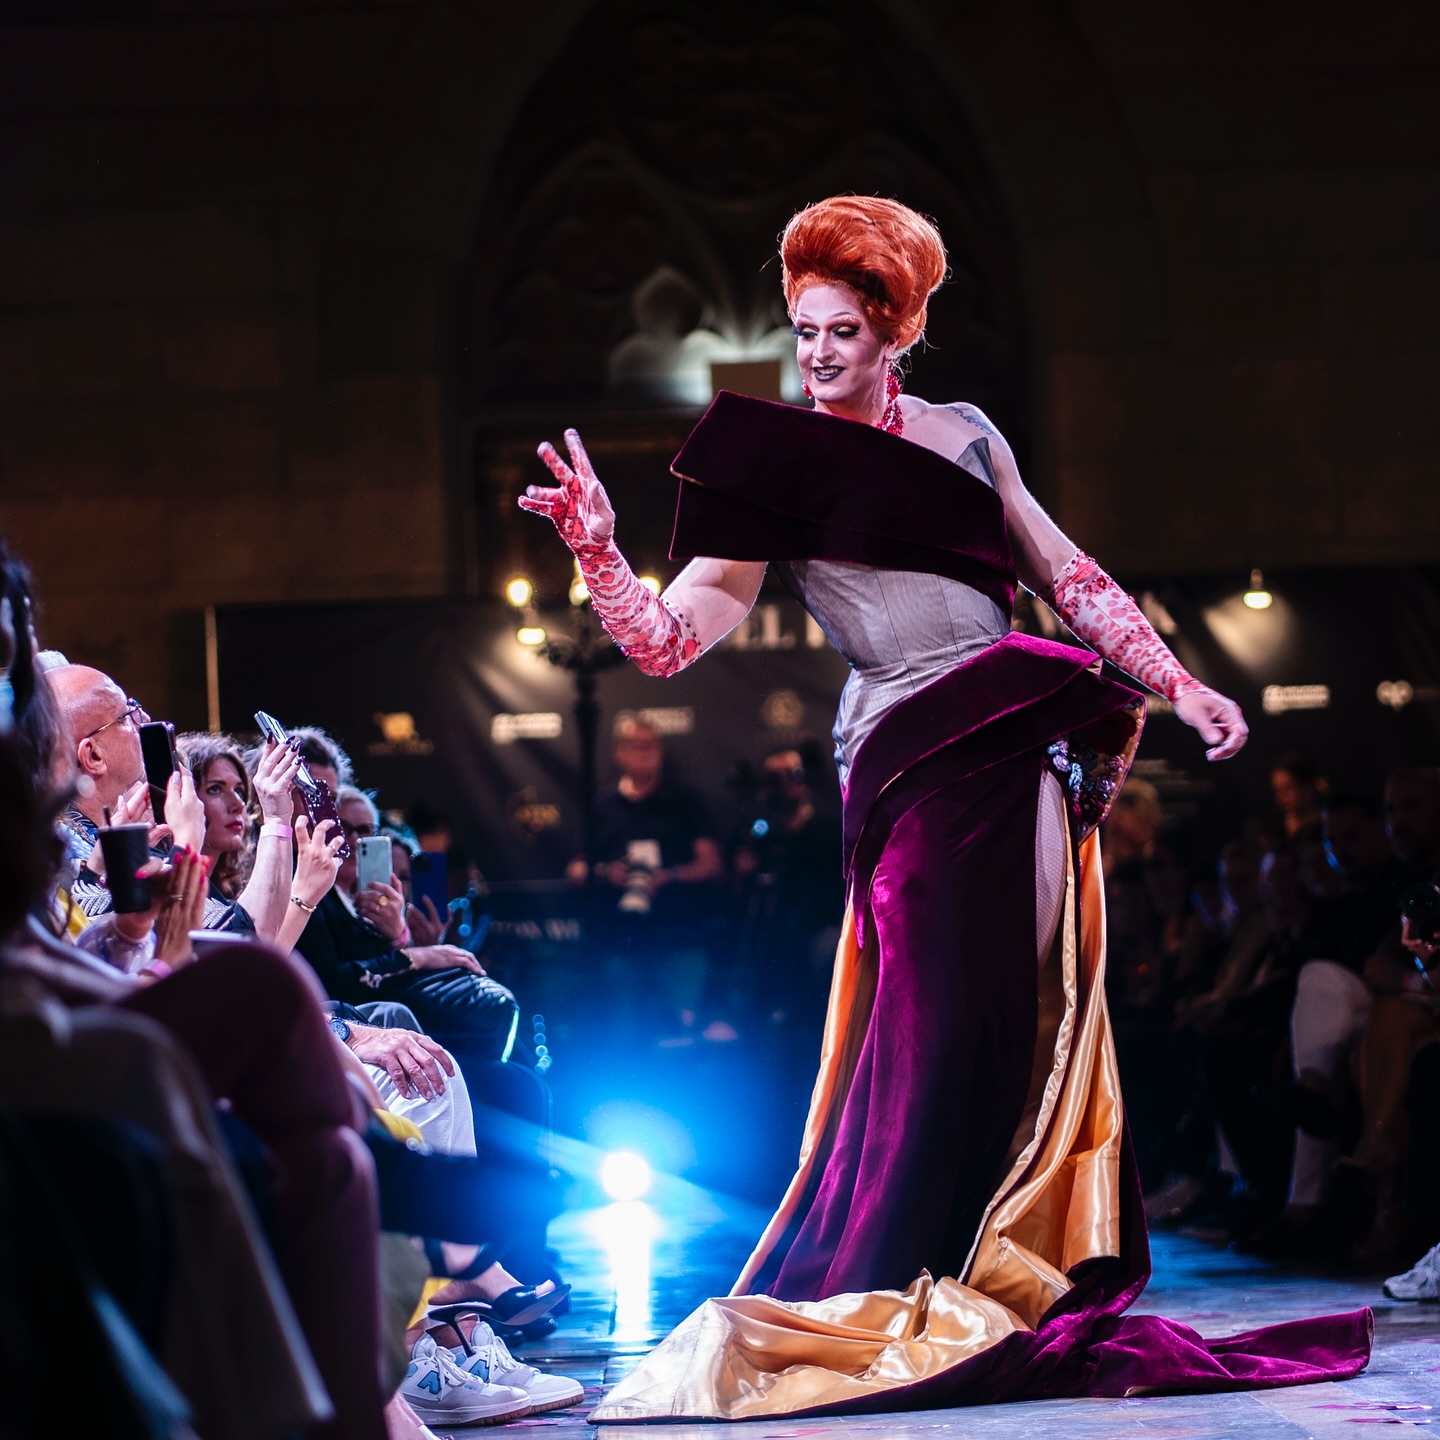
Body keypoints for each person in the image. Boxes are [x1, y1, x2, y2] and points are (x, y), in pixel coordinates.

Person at [521, 195, 1370, 1419]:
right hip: (911, 750)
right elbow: (667, 640)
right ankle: (899, 1270)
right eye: (802, 330)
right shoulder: (771, 462)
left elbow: (1066, 574)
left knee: (1024, 1008)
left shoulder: (968, 438)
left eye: (842, 335)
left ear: (895, 335)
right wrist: (602, 554)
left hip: (1013, 740)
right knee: (940, 1012)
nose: (816, 355)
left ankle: (999, 1268)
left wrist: (1179, 684)